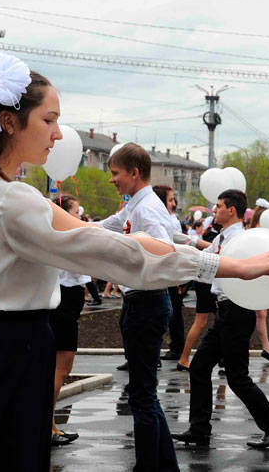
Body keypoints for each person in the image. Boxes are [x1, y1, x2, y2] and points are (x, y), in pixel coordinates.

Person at [0, 53, 269, 472]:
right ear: (10, 122)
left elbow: (115, 242)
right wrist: (232, 266)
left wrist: (219, 262)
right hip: (8, 354)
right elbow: (119, 253)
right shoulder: (10, 199)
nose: (56, 133)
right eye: (49, 120)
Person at [172, 190, 269, 449]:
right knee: (201, 366)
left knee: (238, 378)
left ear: (231, 211)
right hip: (225, 312)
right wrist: (177, 243)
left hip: (237, 311)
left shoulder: (241, 240)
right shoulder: (222, 238)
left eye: (218, 207)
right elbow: (205, 256)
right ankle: (199, 429)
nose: (214, 211)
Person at [100, 145, 186, 470]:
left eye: (115, 173)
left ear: (134, 173)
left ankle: (147, 467)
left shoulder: (146, 209)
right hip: (142, 302)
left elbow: (165, 249)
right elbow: (108, 225)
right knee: (144, 393)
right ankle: (166, 466)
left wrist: (142, 263)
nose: (112, 180)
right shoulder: (134, 205)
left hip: (146, 302)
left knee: (141, 396)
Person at [48, 194, 90, 447]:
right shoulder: (65, 238)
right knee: (59, 370)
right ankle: (48, 425)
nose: (79, 216)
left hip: (65, 309)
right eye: (75, 211)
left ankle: (49, 423)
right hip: (62, 309)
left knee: (60, 370)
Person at [175, 220, 221, 372]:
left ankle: (186, 358)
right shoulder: (219, 238)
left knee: (209, 322)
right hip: (207, 284)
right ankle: (184, 358)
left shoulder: (217, 237)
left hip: (205, 282)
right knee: (206, 322)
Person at [153, 185, 188, 363]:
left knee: (173, 313)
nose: (173, 204)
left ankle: (177, 347)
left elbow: (175, 246)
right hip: (167, 273)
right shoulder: (163, 218)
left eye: (173, 200)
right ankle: (175, 346)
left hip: (170, 274)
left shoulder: (171, 221)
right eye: (170, 200)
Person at [249, 197, 269, 364]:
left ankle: (267, 347)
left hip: (253, 272)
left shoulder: (250, 229)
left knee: (258, 313)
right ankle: (267, 347)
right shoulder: (264, 231)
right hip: (261, 272)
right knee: (260, 314)